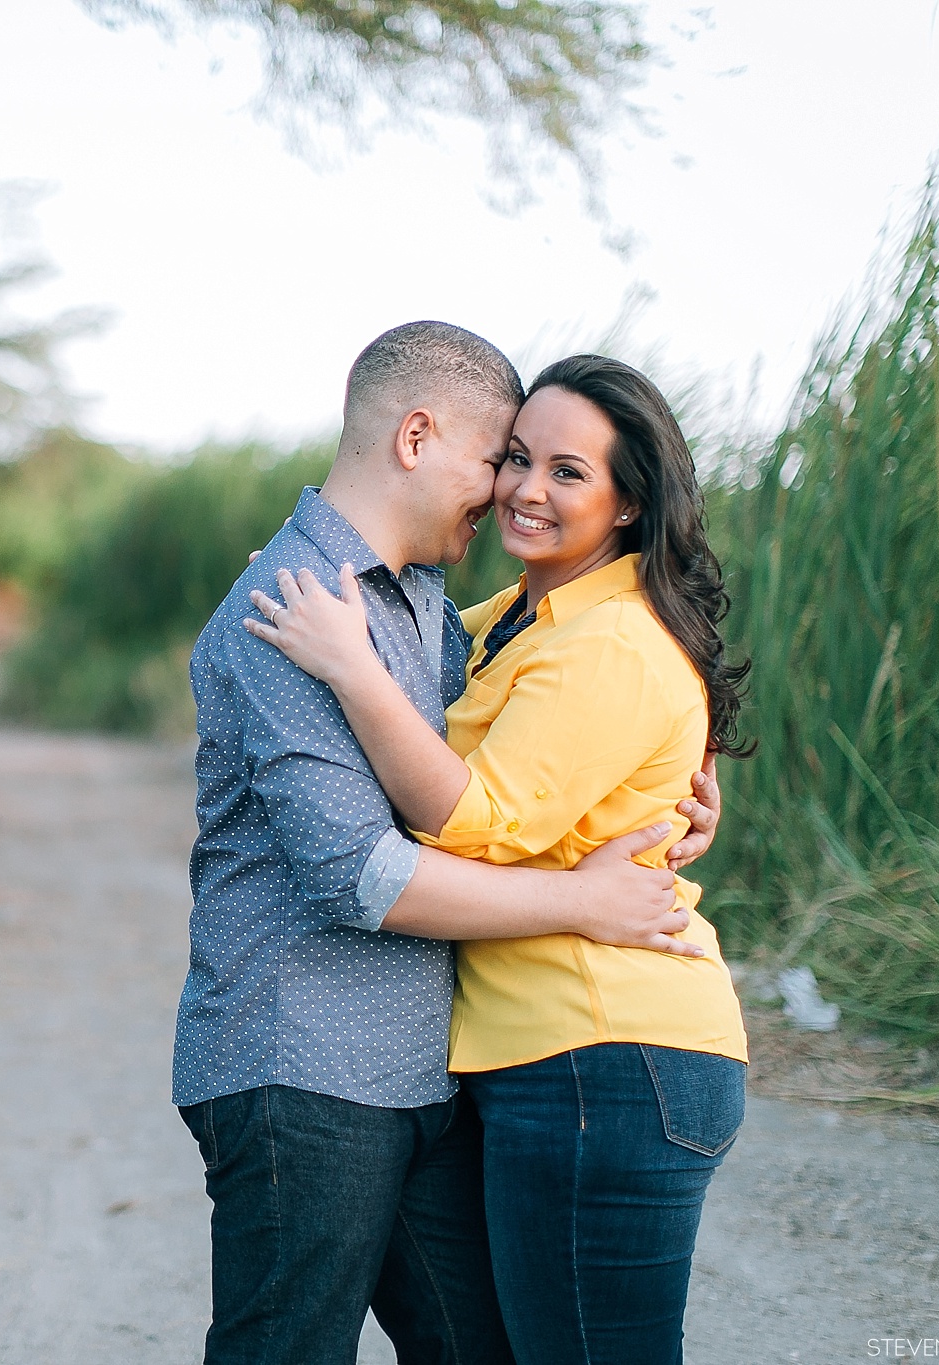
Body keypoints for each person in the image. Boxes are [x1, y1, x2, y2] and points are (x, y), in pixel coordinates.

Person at [177, 323, 724, 1365]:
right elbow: (355, 876)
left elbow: (592, 690)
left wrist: (678, 784)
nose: (508, 489)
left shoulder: (428, 607)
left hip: (421, 1072)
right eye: (502, 457)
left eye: (549, 465)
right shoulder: (292, 610)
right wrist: (582, 902)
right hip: (303, 1065)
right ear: (417, 436)